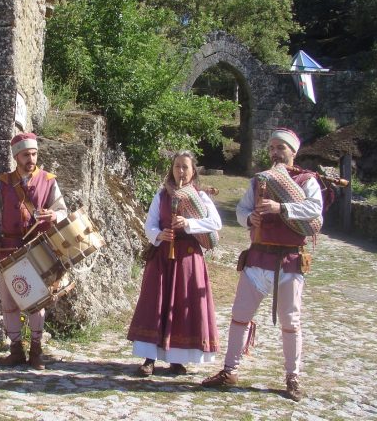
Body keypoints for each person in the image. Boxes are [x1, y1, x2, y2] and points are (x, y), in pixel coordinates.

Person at [202, 128, 323, 402]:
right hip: (258, 258)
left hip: (289, 260)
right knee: (239, 315)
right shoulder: (260, 181)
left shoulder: (306, 181)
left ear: (293, 151)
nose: (275, 152)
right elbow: (242, 209)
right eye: (272, 148)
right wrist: (249, 220)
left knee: (291, 321)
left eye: (281, 147)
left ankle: (293, 377)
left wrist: (282, 209)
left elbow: (315, 211)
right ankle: (230, 370)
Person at [127, 150, 222, 376]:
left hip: (189, 260)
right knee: (156, 304)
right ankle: (149, 358)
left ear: (193, 171)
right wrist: (159, 235)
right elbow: (149, 224)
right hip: (162, 259)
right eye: (177, 166)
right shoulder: (161, 195)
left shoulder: (200, 197)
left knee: (182, 307)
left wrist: (188, 223)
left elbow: (215, 223)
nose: (180, 171)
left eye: (185, 167)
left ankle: (177, 359)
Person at [0, 132, 68, 370]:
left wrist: (54, 215)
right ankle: (16, 349)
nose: (31, 159)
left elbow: (62, 210)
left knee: (36, 299)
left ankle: (37, 350)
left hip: (38, 249)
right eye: (26, 155)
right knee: (9, 300)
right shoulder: (3, 182)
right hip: (8, 248)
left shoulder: (49, 180)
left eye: (34, 154)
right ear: (16, 157)